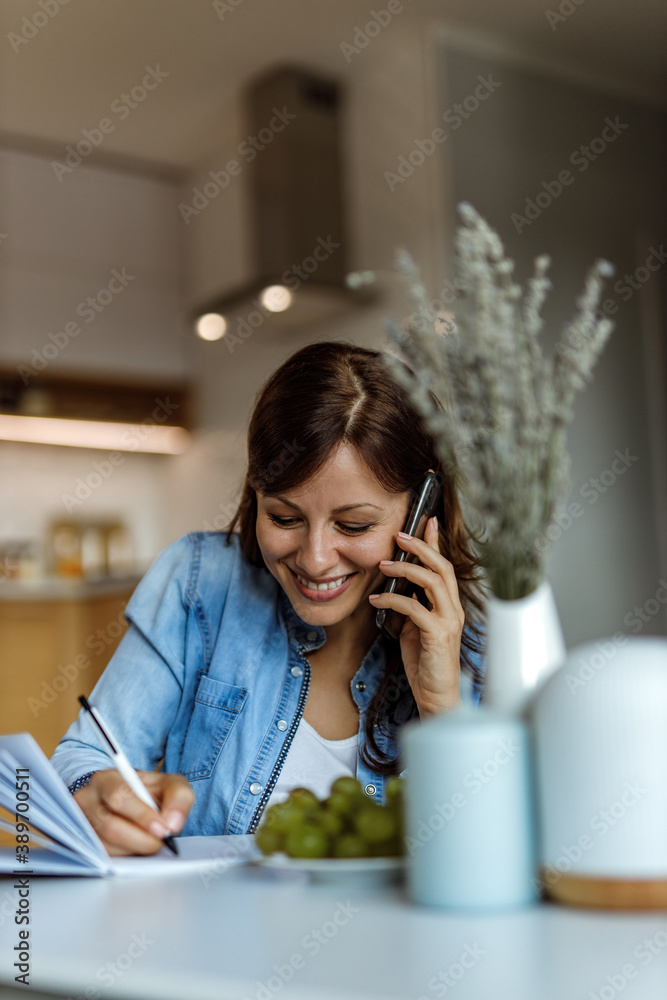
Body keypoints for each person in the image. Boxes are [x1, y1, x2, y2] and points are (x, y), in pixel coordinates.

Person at [51, 342, 486, 856]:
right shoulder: (201, 582)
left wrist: (443, 710)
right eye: (284, 518)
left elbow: (484, 854)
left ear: (421, 514)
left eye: (354, 525)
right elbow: (82, 758)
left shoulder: (473, 639)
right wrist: (94, 794)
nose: (316, 558)